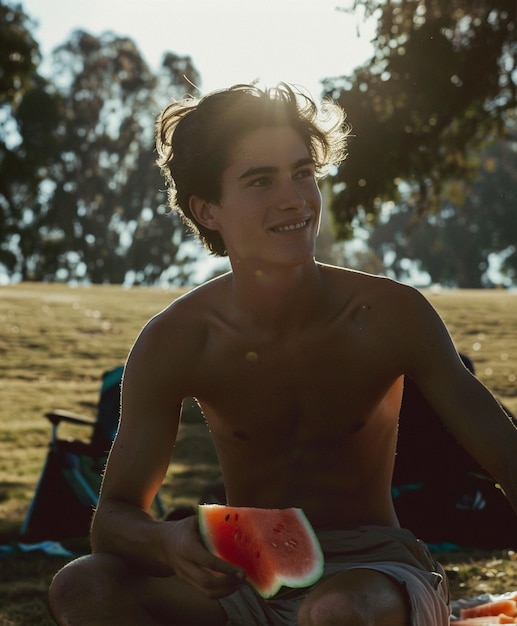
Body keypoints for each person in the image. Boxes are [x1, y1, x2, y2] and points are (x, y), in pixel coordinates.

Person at [48, 82, 517, 626]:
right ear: (208, 209)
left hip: (376, 571)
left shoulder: (391, 314)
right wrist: (168, 539)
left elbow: (506, 455)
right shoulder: (176, 340)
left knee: (334, 611)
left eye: (302, 172)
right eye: (260, 180)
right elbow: (111, 520)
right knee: (82, 585)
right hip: (245, 575)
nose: (294, 197)